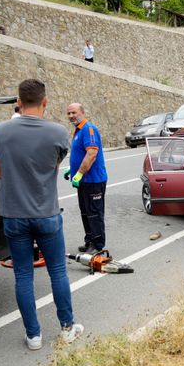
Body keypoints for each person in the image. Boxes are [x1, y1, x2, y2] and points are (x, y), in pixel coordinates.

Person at [0, 79, 84, 351]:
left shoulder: (1, 131)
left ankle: (33, 335)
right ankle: (67, 328)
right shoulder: (57, 133)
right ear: (45, 102)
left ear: (18, 102)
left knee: (22, 275)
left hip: (13, 215)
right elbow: (51, 167)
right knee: (57, 272)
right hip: (46, 213)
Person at [65, 103, 108, 254]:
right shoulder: (78, 131)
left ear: (82, 112)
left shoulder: (89, 129)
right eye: (69, 113)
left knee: (94, 213)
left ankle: (97, 245)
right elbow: (82, 154)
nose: (71, 116)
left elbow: (91, 154)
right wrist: (72, 169)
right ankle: (89, 240)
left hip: (93, 180)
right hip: (83, 181)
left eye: (74, 112)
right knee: (85, 212)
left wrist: (79, 173)